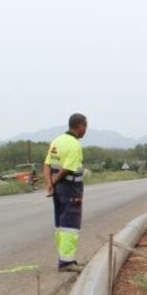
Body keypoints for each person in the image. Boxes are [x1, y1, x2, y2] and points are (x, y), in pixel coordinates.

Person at [44, 113, 88, 273]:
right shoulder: (74, 145)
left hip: (58, 190)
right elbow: (67, 169)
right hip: (70, 188)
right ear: (80, 126)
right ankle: (66, 262)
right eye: (85, 127)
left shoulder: (57, 141)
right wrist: (54, 182)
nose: (85, 130)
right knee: (70, 224)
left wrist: (50, 184)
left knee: (61, 223)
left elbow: (47, 165)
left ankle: (64, 258)